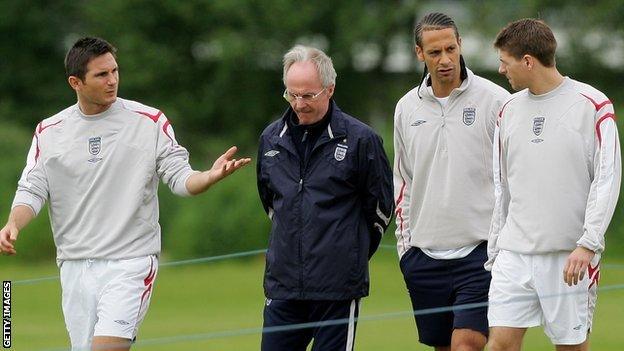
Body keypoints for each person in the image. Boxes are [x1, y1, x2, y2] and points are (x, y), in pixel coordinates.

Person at [0, 37, 251, 351]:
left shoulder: (149, 121)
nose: (113, 80)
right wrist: (13, 224)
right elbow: (33, 188)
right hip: (74, 265)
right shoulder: (49, 131)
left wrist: (207, 177)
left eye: (115, 71)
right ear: (75, 82)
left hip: (130, 263)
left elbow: (179, 178)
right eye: (102, 75)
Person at [486, 19, 621, 351]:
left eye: (506, 61)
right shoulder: (507, 110)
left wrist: (588, 244)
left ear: (528, 61)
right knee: (500, 345)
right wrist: (495, 249)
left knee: (571, 348)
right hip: (513, 255)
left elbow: (606, 180)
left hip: (568, 257)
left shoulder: (594, 106)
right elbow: (501, 185)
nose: (502, 70)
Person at [256, 45, 394, 351]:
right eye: (291, 95)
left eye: (308, 96)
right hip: (283, 286)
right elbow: (271, 201)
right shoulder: (270, 139)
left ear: (329, 89)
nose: (298, 104)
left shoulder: (362, 140)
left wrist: (348, 251)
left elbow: (381, 208)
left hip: (338, 289)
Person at [393, 12, 510, 351]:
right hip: (424, 257)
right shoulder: (405, 108)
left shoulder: (495, 100)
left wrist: (503, 243)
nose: (445, 60)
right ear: (419, 53)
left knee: (467, 344)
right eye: (434, 52)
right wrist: (406, 250)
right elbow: (404, 180)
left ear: (460, 45)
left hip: (481, 254)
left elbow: (513, 177)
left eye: (450, 49)